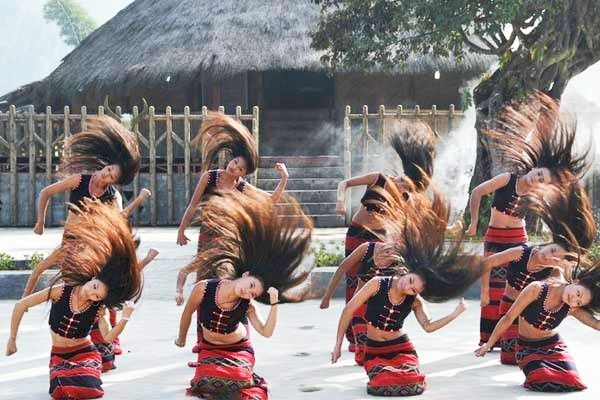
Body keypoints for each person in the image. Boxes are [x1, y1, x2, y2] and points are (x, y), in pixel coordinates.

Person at [330, 187, 482, 396]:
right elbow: (348, 310)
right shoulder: (378, 283)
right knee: (382, 382)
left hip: (401, 347)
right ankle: (384, 371)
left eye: (413, 290)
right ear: (407, 273)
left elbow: (428, 326)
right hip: (374, 349)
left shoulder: (415, 300)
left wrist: (455, 313)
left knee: (412, 382)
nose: (407, 288)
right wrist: (338, 345)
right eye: (410, 281)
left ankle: (405, 368)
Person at [466, 91, 590, 346]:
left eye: (543, 181)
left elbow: (552, 213)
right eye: (539, 175)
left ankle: (518, 336)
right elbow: (477, 192)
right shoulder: (508, 179)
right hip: (495, 235)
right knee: (494, 287)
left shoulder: (536, 194)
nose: (537, 181)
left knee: (519, 286)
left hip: (518, 237)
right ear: (535, 167)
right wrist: (473, 222)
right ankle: (489, 338)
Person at [175, 189, 313, 399]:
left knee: (237, 382)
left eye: (253, 293)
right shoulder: (204, 288)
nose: (247, 292)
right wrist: (181, 339)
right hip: (209, 349)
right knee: (205, 382)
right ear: (246, 274)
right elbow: (187, 314)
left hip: (238, 349)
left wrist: (274, 304)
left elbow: (266, 332)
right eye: (251, 285)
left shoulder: (246, 305)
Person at [5, 199, 143, 399]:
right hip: (59, 354)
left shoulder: (98, 307)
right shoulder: (61, 291)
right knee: (62, 387)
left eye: (97, 296)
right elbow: (20, 306)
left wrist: (125, 318)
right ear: (93, 278)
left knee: (87, 389)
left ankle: (94, 366)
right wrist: (12, 339)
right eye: (94, 288)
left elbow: (107, 337)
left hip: (84, 352)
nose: (92, 295)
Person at [335, 120, 436, 350]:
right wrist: (341, 202)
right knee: (353, 283)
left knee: (370, 287)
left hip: (379, 241)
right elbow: (344, 183)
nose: (405, 190)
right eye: (406, 184)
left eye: (410, 189)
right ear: (403, 176)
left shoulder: (407, 199)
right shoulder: (378, 179)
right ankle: (352, 334)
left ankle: (363, 335)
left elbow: (415, 223)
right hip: (356, 235)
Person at [175, 112, 289, 305]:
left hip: (228, 237)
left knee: (223, 278)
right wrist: (181, 230)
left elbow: (270, 200)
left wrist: (284, 178)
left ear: (244, 174)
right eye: (234, 162)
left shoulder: (241, 186)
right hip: (207, 233)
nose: (234, 167)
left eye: (240, 169)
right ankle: (202, 318)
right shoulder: (210, 177)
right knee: (203, 279)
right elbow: (193, 205)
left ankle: (228, 313)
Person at [23, 116, 142, 298]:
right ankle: (24, 303)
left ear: (115, 182)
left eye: (111, 177)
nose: (106, 174)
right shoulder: (80, 181)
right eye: (108, 169)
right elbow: (45, 193)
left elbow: (119, 223)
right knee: (40, 268)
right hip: (69, 240)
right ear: (106, 165)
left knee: (79, 284)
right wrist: (40, 222)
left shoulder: (112, 196)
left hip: (89, 246)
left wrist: (137, 201)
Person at [483, 181, 596, 364]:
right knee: (509, 359)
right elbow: (488, 263)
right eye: (551, 252)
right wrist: (484, 293)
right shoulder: (522, 252)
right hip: (510, 306)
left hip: (532, 312)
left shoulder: (558, 274)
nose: (550, 258)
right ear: (547, 243)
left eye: (556, 258)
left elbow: (587, 315)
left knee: (521, 360)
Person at [475, 265, 600, 392]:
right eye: (578, 293)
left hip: (553, 346)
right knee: (540, 378)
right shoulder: (537, 289)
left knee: (572, 380)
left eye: (579, 302)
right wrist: (488, 344)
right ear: (576, 282)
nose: (574, 299)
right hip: (527, 348)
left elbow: (596, 324)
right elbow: (508, 317)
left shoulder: (571, 308)